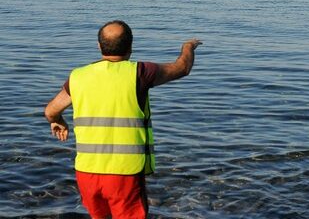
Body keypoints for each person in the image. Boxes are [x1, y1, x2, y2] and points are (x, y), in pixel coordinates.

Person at [44, 20, 201, 218]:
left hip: (86, 173)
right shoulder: (140, 73)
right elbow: (182, 68)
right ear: (131, 47)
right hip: (124, 173)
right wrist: (188, 46)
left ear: (99, 46)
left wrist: (58, 120)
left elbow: (50, 110)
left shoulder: (77, 77)